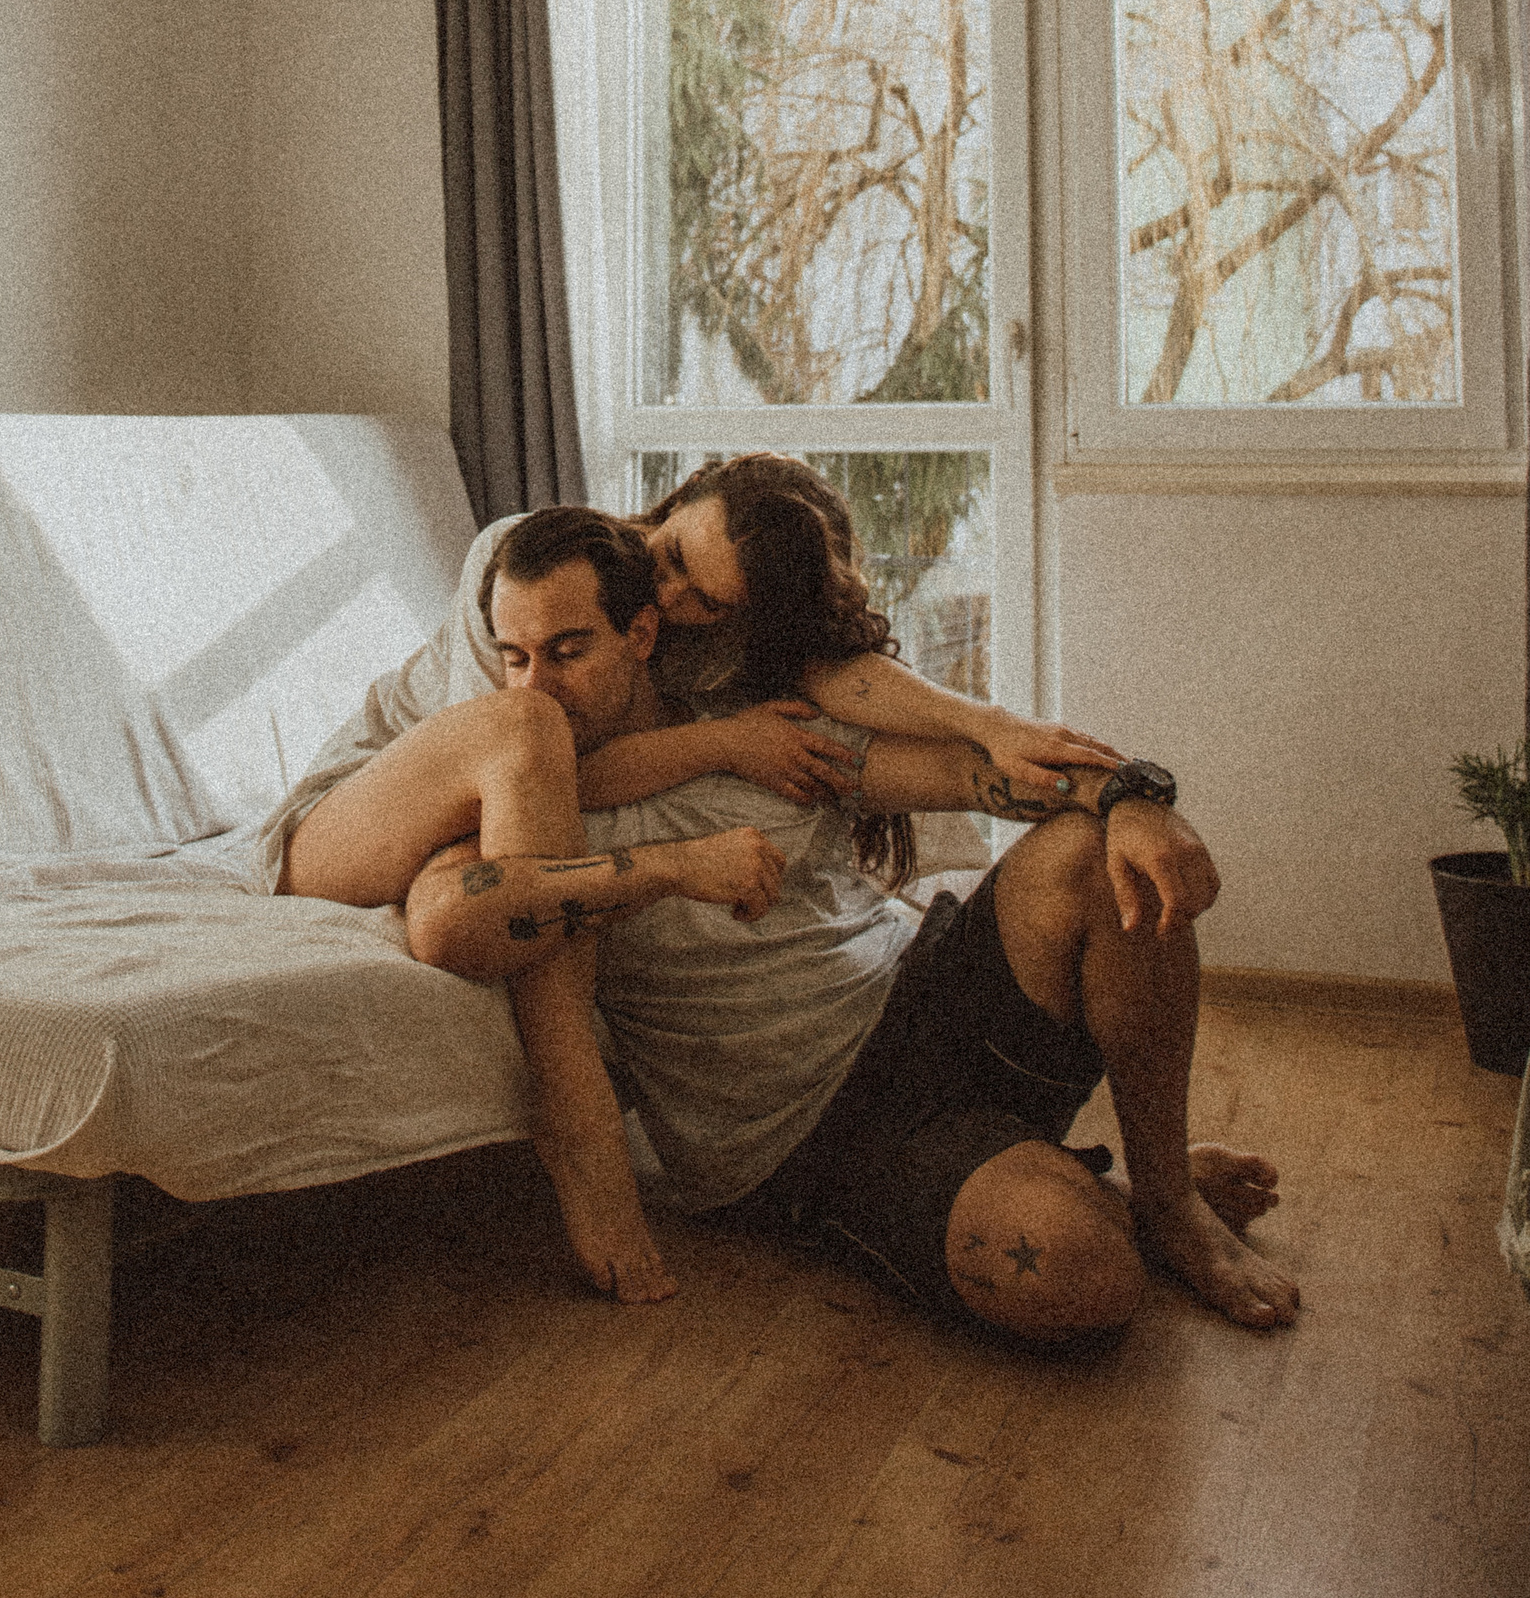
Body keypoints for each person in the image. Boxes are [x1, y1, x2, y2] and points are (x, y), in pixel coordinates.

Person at [401, 508, 1299, 1343]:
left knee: (1101, 854)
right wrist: (660, 869)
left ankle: (1168, 1204)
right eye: (512, 659)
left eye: (567, 652)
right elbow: (450, 911)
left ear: (638, 634)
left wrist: (1134, 796)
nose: (536, 689)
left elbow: (973, 774)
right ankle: (1102, 1194)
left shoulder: (763, 726)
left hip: (926, 995)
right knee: (1082, 1278)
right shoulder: (523, 793)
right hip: (817, 1137)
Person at [263, 457, 1122, 1302]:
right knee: (527, 728)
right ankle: (578, 1133)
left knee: (534, 757)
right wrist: (715, 767)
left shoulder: (694, 653)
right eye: (671, 553)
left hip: (524, 800)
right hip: (346, 820)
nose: (670, 592)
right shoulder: (528, 565)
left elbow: (840, 677)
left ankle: (1117, 1191)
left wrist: (1093, 776)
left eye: (706, 601)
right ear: (673, 501)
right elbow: (534, 783)